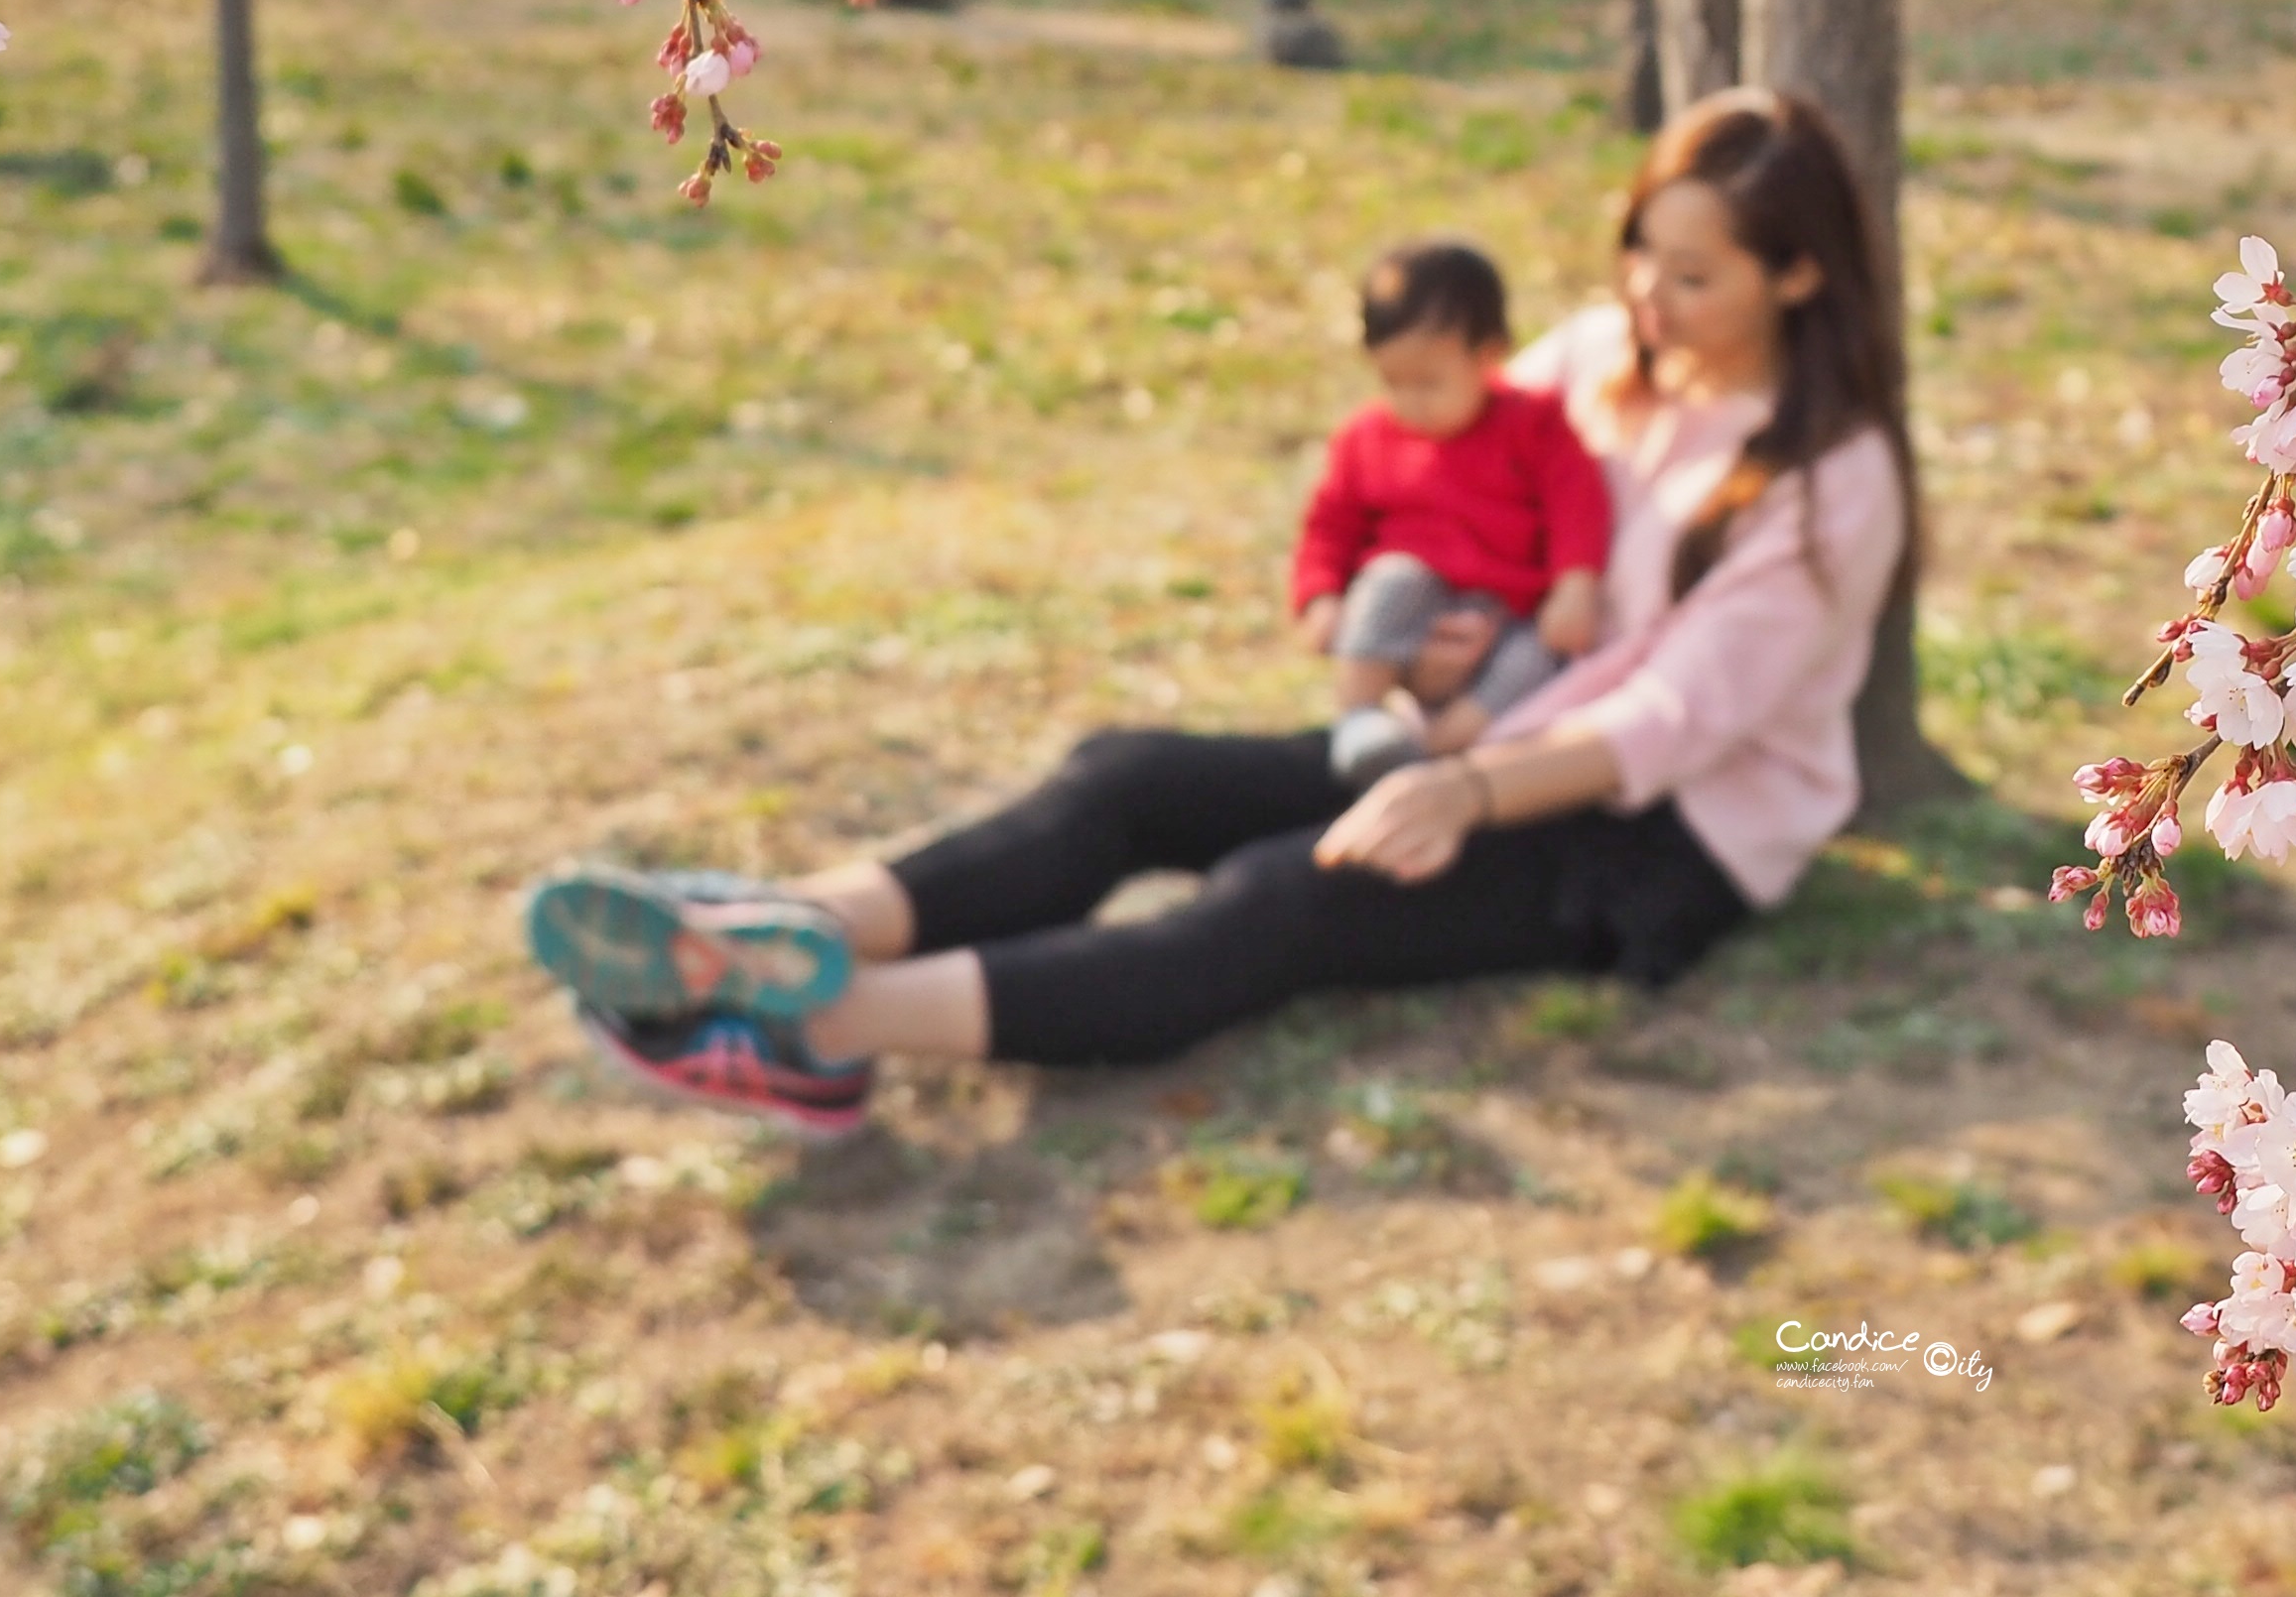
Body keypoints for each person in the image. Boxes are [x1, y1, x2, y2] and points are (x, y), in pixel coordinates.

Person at [516, 89, 1912, 1135]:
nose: (1640, 298)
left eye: (1691, 275)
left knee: (1277, 899)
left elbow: (1678, 719)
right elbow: (1462, 480)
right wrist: (1434, 623)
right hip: (1483, 722)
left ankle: (816, 1024)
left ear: (1797, 276)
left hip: (1645, 829)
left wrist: (1468, 792)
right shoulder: (1610, 355)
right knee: (1132, 778)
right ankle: (785, 921)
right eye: (1635, 254)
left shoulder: (1829, 480)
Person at [1297, 238, 1613, 787]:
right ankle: (1359, 718)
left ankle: (1436, 750)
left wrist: (1575, 584)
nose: (1410, 401)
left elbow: (1577, 504)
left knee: (1537, 659)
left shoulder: (1533, 426)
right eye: (1392, 382)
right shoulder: (1368, 439)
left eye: (1429, 383)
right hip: (1414, 600)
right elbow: (1329, 526)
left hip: (1510, 606)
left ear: (1488, 355)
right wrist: (1320, 596)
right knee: (1389, 581)